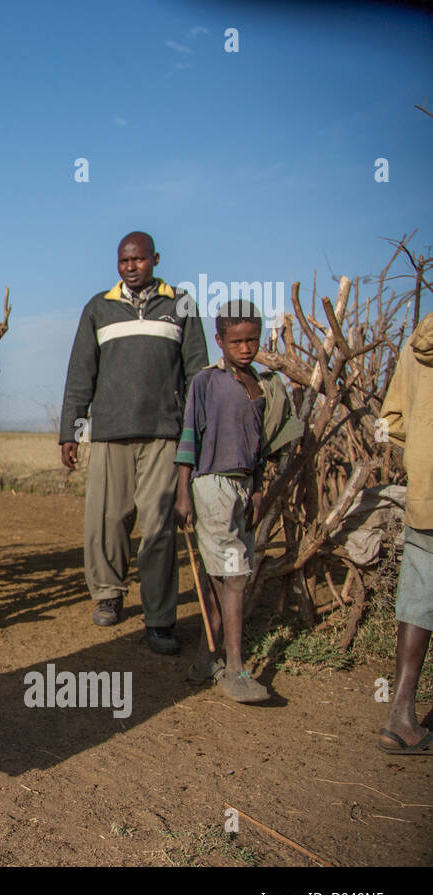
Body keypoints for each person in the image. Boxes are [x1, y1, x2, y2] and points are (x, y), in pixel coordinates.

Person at [59, 232, 209, 653]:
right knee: (106, 522)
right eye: (124, 260)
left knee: (159, 528)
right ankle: (108, 594)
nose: (131, 267)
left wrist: (196, 432)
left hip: (164, 433)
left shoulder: (180, 304)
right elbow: (80, 373)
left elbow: (197, 373)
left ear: (155, 260)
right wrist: (72, 429)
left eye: (139, 260)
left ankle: (159, 619)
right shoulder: (98, 307)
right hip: (109, 432)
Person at [174, 301, 301, 703]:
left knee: (222, 578)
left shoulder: (262, 387)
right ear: (220, 341)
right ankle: (236, 667)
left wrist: (260, 488)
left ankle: (202, 662)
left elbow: (260, 448)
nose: (245, 348)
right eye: (236, 341)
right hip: (211, 487)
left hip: (244, 490)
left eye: (251, 340)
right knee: (233, 576)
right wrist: (183, 494)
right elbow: (189, 439)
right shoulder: (206, 383)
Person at [376, 310, 433, 755]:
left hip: (427, 493)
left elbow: (392, 419)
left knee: (417, 599)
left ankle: (400, 714)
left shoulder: (418, 343)